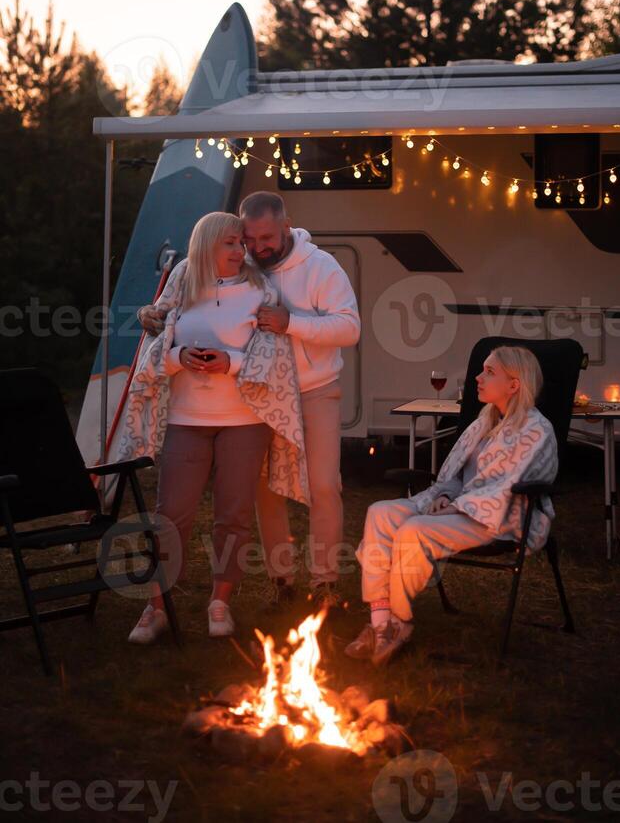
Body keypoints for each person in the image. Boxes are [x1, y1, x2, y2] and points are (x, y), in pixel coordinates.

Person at [138, 191, 361, 607]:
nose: (256, 248)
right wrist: (149, 313)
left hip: (313, 390)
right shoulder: (243, 263)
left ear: (286, 224)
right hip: (260, 392)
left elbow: (349, 328)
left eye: (265, 239)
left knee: (325, 484)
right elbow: (187, 288)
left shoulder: (320, 267)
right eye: (249, 239)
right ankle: (282, 580)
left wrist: (291, 323)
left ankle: (326, 581)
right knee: (264, 486)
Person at [123, 211, 307, 645]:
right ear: (205, 245)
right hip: (187, 419)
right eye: (229, 242)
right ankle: (156, 605)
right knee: (173, 512)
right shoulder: (184, 280)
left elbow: (274, 354)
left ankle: (220, 600)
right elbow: (157, 341)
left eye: (240, 242)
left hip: (244, 421)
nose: (240, 250)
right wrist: (178, 357)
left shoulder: (260, 287)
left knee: (234, 514)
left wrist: (233, 363)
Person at [345, 346, 558, 666]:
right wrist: (445, 497)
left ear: (514, 385)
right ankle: (380, 624)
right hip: (458, 506)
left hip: (498, 519)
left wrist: (458, 507)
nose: (478, 377)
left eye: (489, 372)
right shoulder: (483, 423)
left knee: (413, 530)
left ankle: (398, 623)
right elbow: (456, 475)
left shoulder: (535, 431)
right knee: (380, 512)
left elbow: (505, 489)